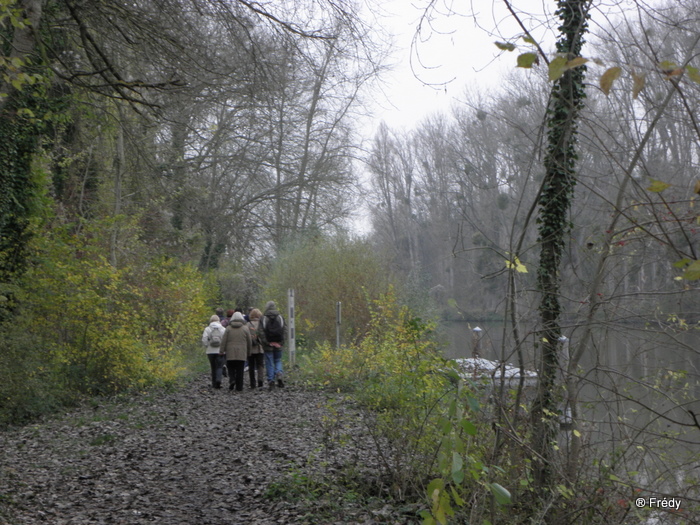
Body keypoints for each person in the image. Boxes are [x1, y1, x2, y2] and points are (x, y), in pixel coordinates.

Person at [220, 311, 251, 392]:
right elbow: (249, 341)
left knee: (230, 367)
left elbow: (224, 341)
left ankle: (232, 379)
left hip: (230, 352)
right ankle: (239, 387)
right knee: (240, 370)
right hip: (242, 352)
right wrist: (249, 352)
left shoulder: (228, 328)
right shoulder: (245, 328)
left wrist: (221, 350)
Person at [257, 301, 285, 390]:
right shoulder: (280, 317)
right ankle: (279, 373)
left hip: (268, 344)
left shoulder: (263, 318)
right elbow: (285, 331)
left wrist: (266, 342)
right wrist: (281, 343)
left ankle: (271, 380)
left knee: (269, 362)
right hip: (278, 344)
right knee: (278, 360)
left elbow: (260, 332)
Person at [202, 315, 225, 389]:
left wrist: (207, 345)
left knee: (213, 367)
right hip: (220, 351)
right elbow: (225, 339)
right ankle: (219, 380)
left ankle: (214, 383)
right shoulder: (223, 329)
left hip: (210, 351)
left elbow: (204, 339)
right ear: (218, 320)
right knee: (219, 366)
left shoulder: (207, 329)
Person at [247, 309, 265, 389]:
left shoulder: (248, 324)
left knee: (251, 366)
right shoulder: (262, 324)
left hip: (250, 348)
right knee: (260, 365)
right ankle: (260, 380)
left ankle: (252, 383)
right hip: (260, 347)